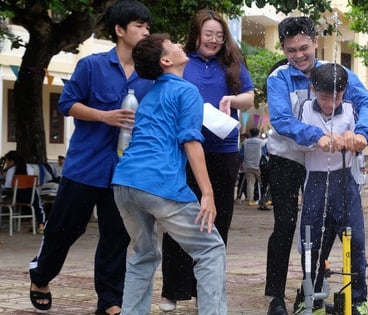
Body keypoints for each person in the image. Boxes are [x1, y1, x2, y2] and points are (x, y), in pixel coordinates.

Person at [28, 1, 152, 313]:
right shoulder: (92, 65)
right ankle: (41, 276)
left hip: (125, 171)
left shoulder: (151, 76)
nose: (146, 31)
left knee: (116, 236)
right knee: (64, 229)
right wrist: (104, 116)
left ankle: (110, 300)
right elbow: (67, 104)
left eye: (147, 27)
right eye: (139, 26)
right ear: (120, 30)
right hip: (84, 166)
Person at [264, 16, 368, 315]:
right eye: (291, 50)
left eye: (304, 47)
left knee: (343, 230)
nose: (299, 55)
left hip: (334, 167)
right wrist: (317, 136)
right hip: (288, 158)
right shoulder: (278, 78)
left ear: (316, 42)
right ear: (284, 48)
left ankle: (349, 294)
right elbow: (280, 120)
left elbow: (366, 105)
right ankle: (278, 296)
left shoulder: (338, 74)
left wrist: (362, 134)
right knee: (289, 225)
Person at [112, 33, 226, 314]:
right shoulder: (186, 90)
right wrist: (207, 193)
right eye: (173, 44)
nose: (179, 45)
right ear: (165, 60)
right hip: (158, 183)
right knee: (210, 249)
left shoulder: (149, 95)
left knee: (143, 256)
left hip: (124, 183)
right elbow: (191, 141)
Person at [158, 9, 254, 312]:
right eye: (207, 33)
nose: (213, 40)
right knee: (179, 218)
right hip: (186, 150)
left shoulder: (233, 63)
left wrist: (231, 101)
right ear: (196, 34)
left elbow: (249, 97)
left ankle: (207, 290)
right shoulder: (182, 60)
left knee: (218, 221)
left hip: (224, 150)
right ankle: (172, 290)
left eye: (219, 35)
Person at [295, 63, 368, 314]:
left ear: (345, 91)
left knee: (355, 240)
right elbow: (301, 139)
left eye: (336, 97)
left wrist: (356, 139)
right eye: (325, 97)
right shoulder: (305, 108)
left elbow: (362, 138)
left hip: (345, 182)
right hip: (315, 182)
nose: (330, 104)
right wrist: (322, 138)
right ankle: (309, 297)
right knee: (312, 242)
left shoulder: (350, 109)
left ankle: (358, 298)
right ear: (313, 89)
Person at [2, 150, 45, 233]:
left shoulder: (10, 171)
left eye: (7, 161)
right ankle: (41, 225)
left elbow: (7, 187)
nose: (7, 164)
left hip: (17, 199)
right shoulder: (30, 168)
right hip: (31, 199)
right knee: (36, 199)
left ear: (12, 161)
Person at [241, 127, 266, 206]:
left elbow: (241, 153)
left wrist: (241, 163)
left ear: (250, 133)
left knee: (250, 183)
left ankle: (250, 200)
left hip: (248, 165)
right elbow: (265, 153)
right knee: (261, 183)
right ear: (258, 133)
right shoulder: (261, 142)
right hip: (258, 165)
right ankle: (260, 199)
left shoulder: (245, 142)